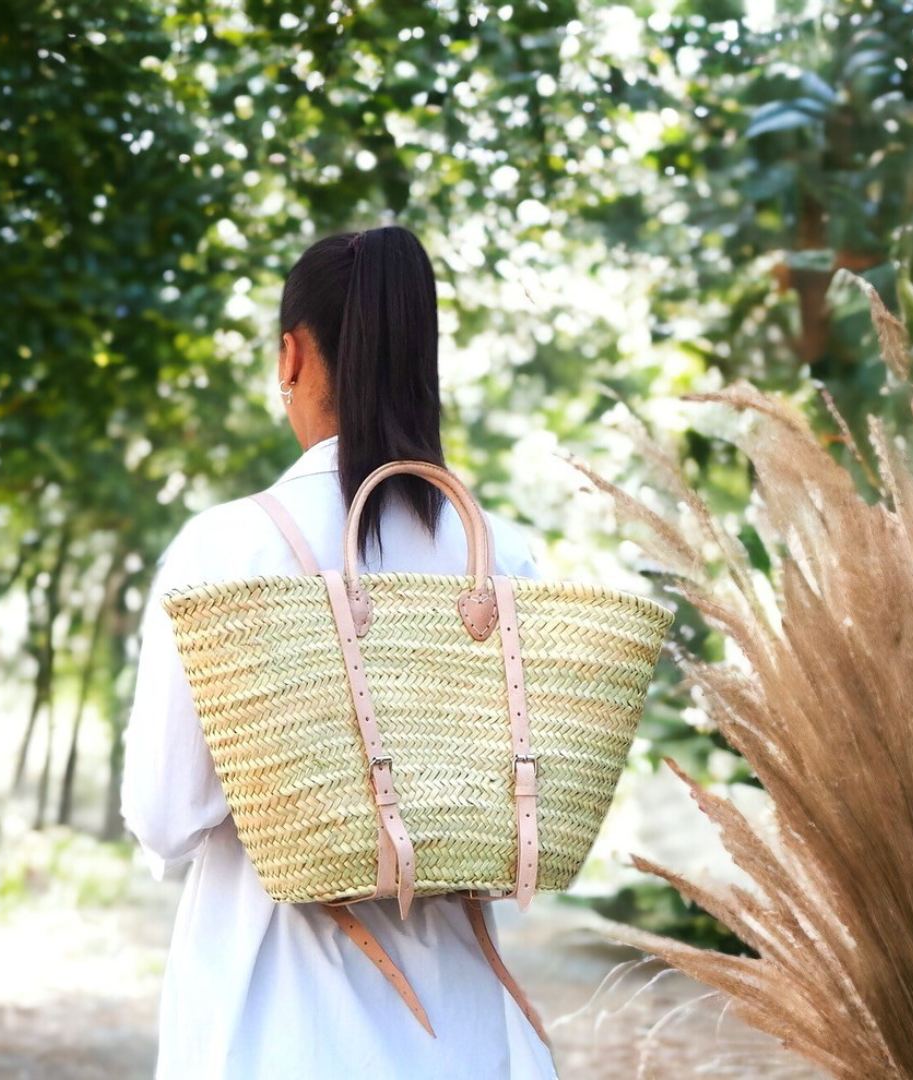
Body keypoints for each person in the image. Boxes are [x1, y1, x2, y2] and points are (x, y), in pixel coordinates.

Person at [120, 225, 559, 1079]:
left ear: (291, 356)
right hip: (462, 1030)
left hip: (274, 1019)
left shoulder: (227, 550)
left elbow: (165, 816)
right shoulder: (498, 559)